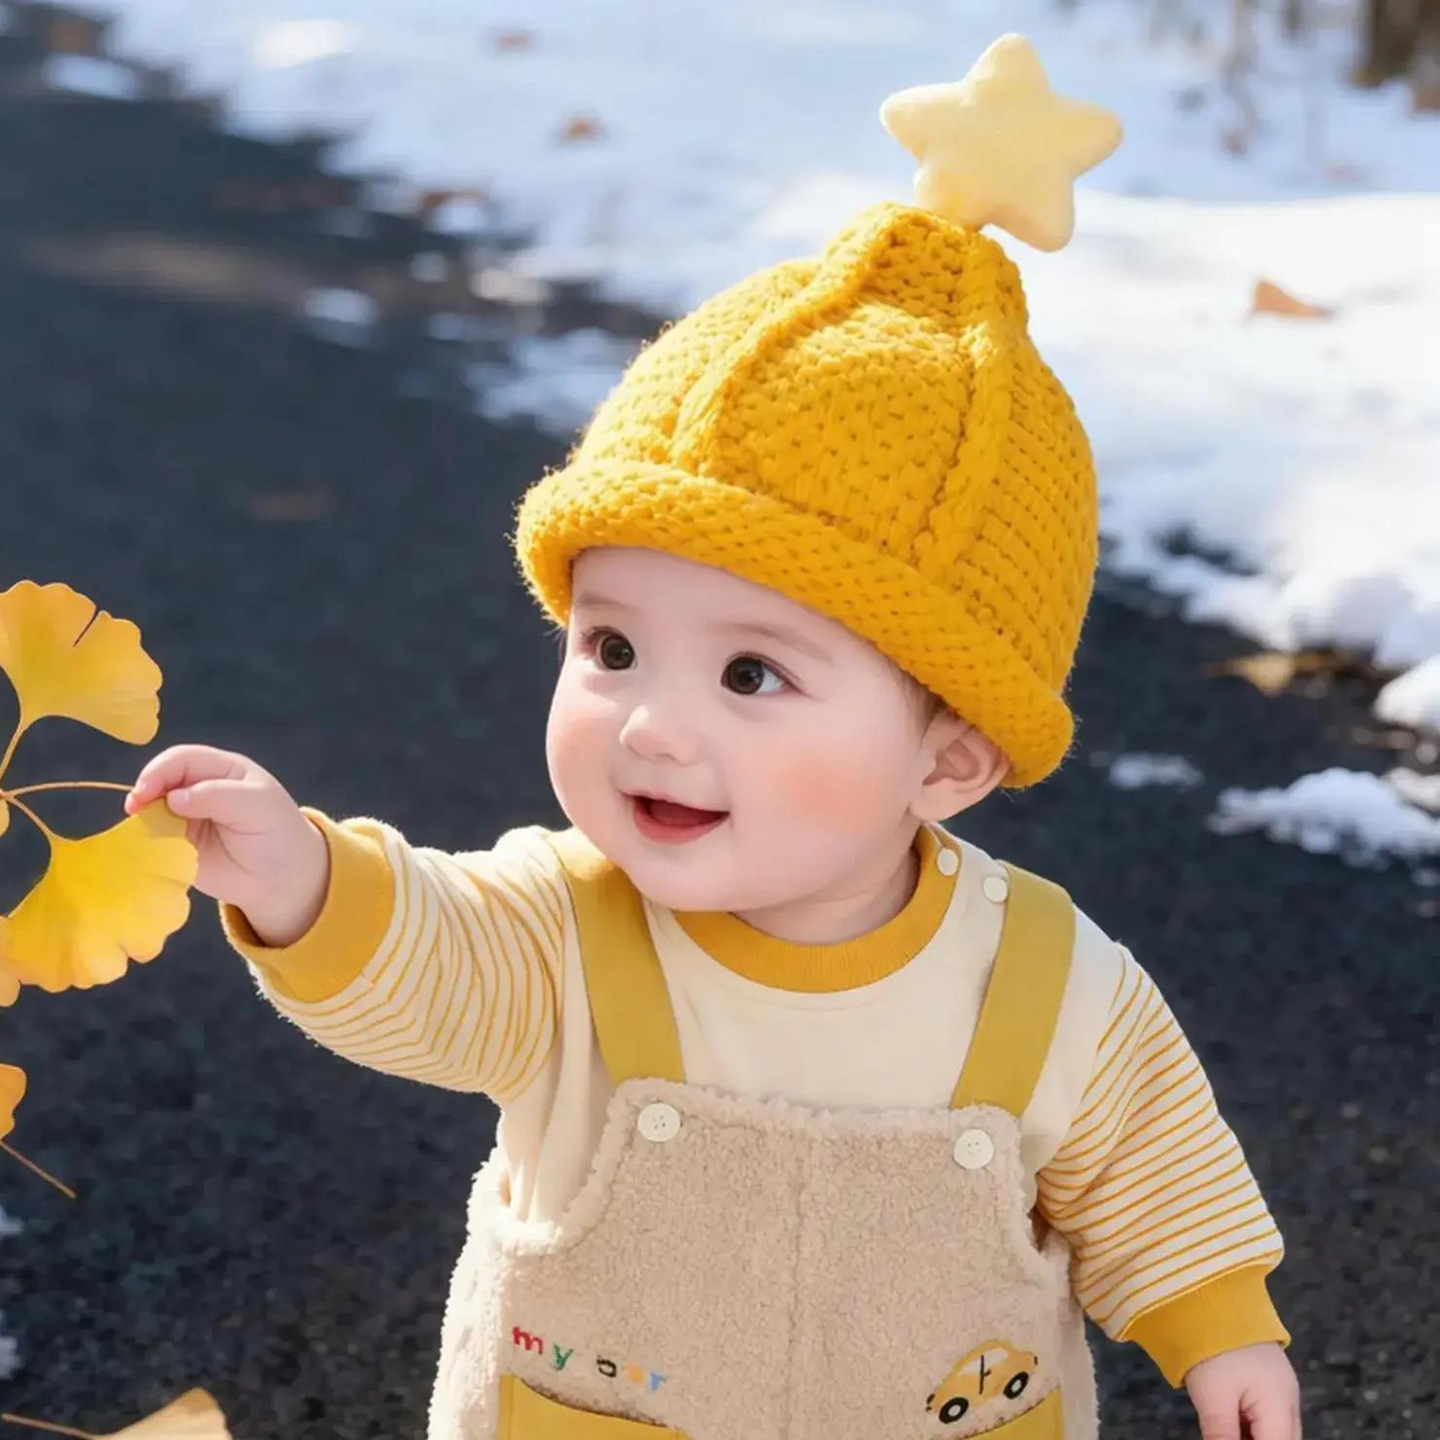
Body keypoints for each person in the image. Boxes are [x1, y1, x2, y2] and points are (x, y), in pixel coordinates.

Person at [125, 34, 1301, 1440]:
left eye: (753, 674)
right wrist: (303, 880)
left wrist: (1221, 1331)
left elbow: (1151, 1168)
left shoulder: (1047, 985)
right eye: (613, 647)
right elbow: (424, 955)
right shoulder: (562, 930)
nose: (654, 725)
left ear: (951, 757)